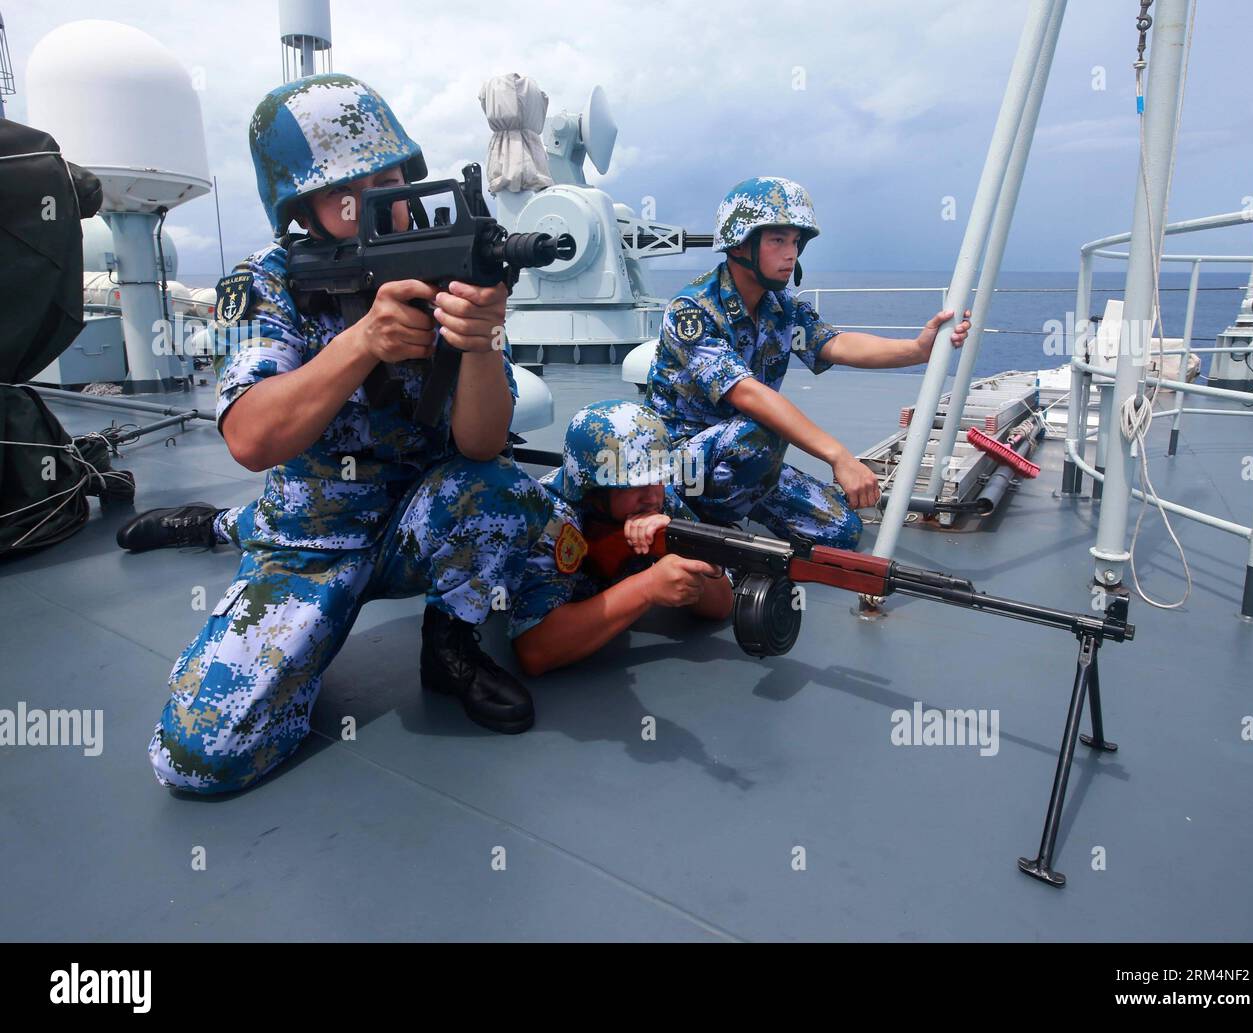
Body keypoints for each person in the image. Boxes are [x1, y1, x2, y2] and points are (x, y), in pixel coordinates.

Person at [128, 73, 553, 794]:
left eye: (390, 178)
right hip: (310, 537)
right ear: (299, 207)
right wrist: (363, 341)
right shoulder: (272, 281)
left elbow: (482, 445)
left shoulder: (448, 260)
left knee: (505, 492)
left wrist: (478, 342)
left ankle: (449, 646)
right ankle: (225, 525)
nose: (379, 203)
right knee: (200, 757)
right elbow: (251, 439)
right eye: (346, 192)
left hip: (416, 517)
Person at [645, 176, 970, 550]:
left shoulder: (781, 306)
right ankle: (692, 516)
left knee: (841, 532)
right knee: (763, 428)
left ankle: (736, 507)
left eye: (796, 242)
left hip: (744, 457)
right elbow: (748, 395)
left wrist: (917, 350)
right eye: (778, 240)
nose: (791, 254)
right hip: (678, 463)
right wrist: (839, 456)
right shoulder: (693, 311)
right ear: (741, 245)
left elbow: (836, 344)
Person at [508, 400, 733, 676]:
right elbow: (535, 650)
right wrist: (647, 588)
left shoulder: (657, 503)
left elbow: (721, 604)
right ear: (594, 490)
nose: (652, 496)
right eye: (634, 484)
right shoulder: (550, 519)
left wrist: (676, 545)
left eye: (659, 478)